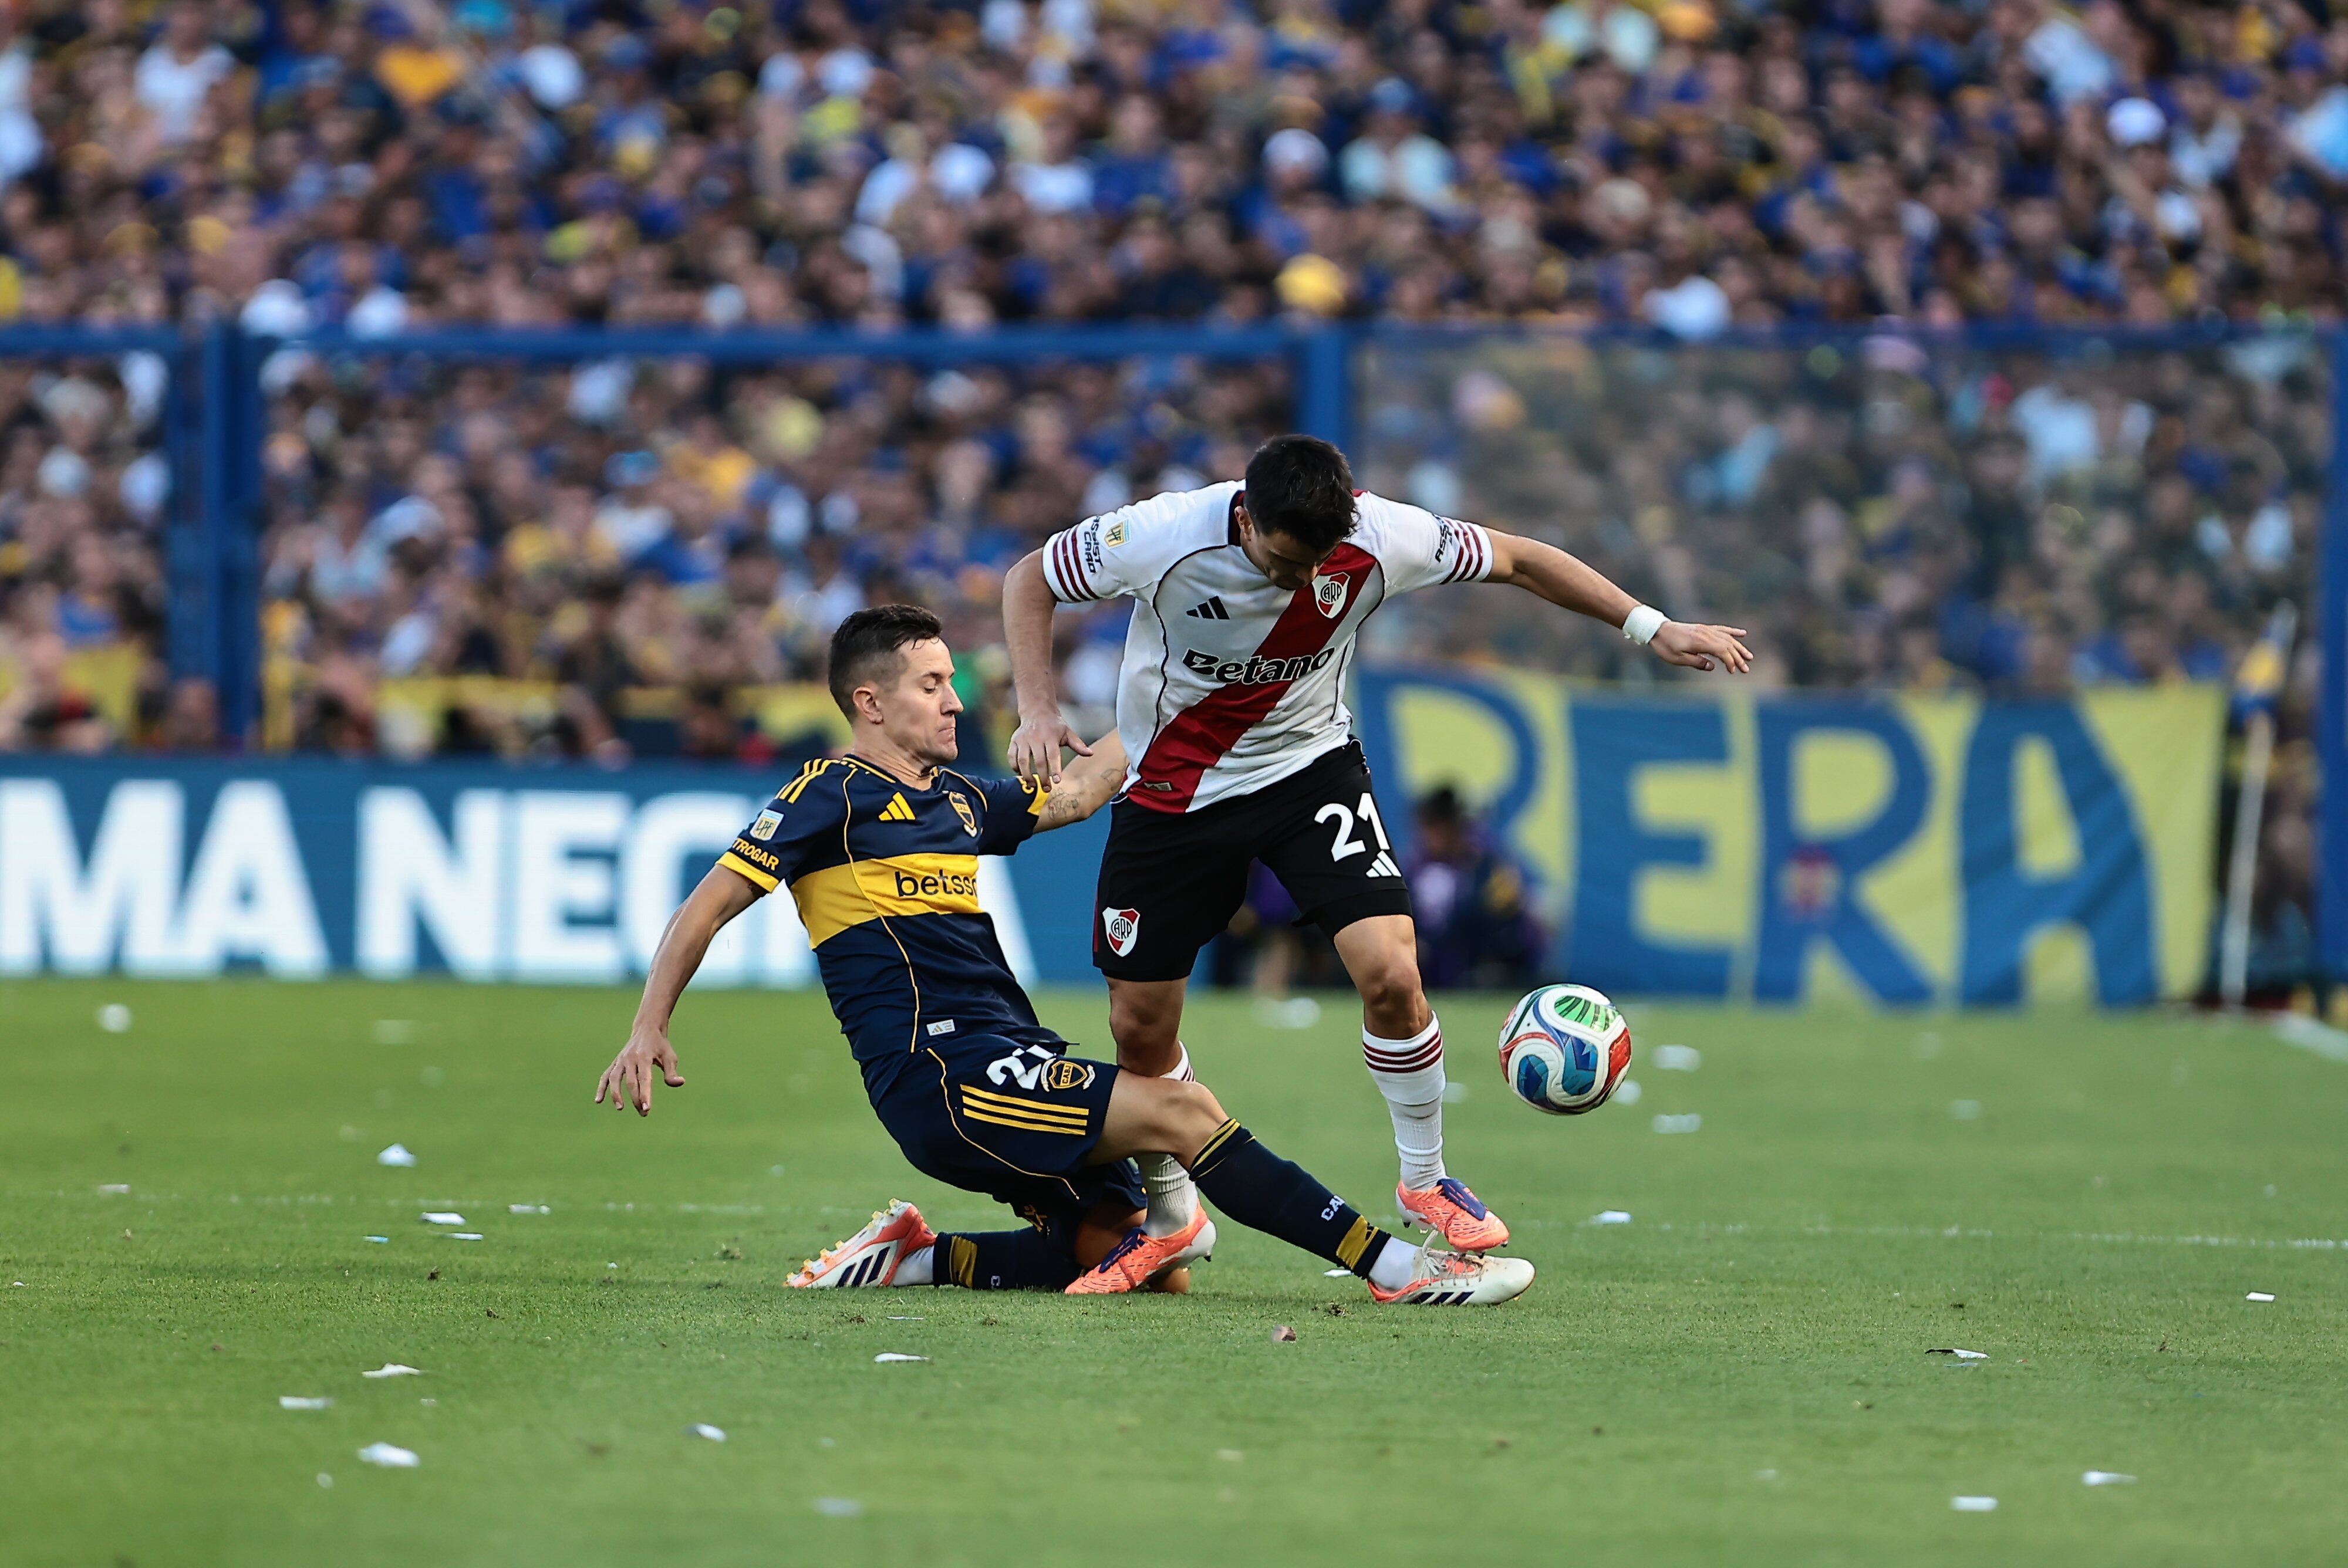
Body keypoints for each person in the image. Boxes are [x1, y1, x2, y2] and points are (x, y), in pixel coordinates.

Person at [592, 604, 1534, 1306]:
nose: (955, 700)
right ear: (869, 703)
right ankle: (1401, 1269)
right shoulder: (826, 794)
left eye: (952, 680)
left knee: (1134, 1258)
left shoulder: (958, 801)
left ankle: (921, 1257)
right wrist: (647, 1026)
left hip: (1012, 1056)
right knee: (1182, 1109)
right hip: (945, 1075)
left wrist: (1199, 700)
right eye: (932, 685)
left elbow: (1082, 791)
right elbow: (708, 904)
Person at [1003, 435, 1752, 1253]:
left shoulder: (1380, 535)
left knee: (1394, 971)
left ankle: (1426, 1180)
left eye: (1315, 564)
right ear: (1245, 517)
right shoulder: (1162, 535)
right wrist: (1038, 707)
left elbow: (1521, 560)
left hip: (1307, 771)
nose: (1300, 580)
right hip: (1173, 793)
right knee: (1140, 1027)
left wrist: (1654, 627)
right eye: (1284, 564)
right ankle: (1176, 1213)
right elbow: (1030, 578)